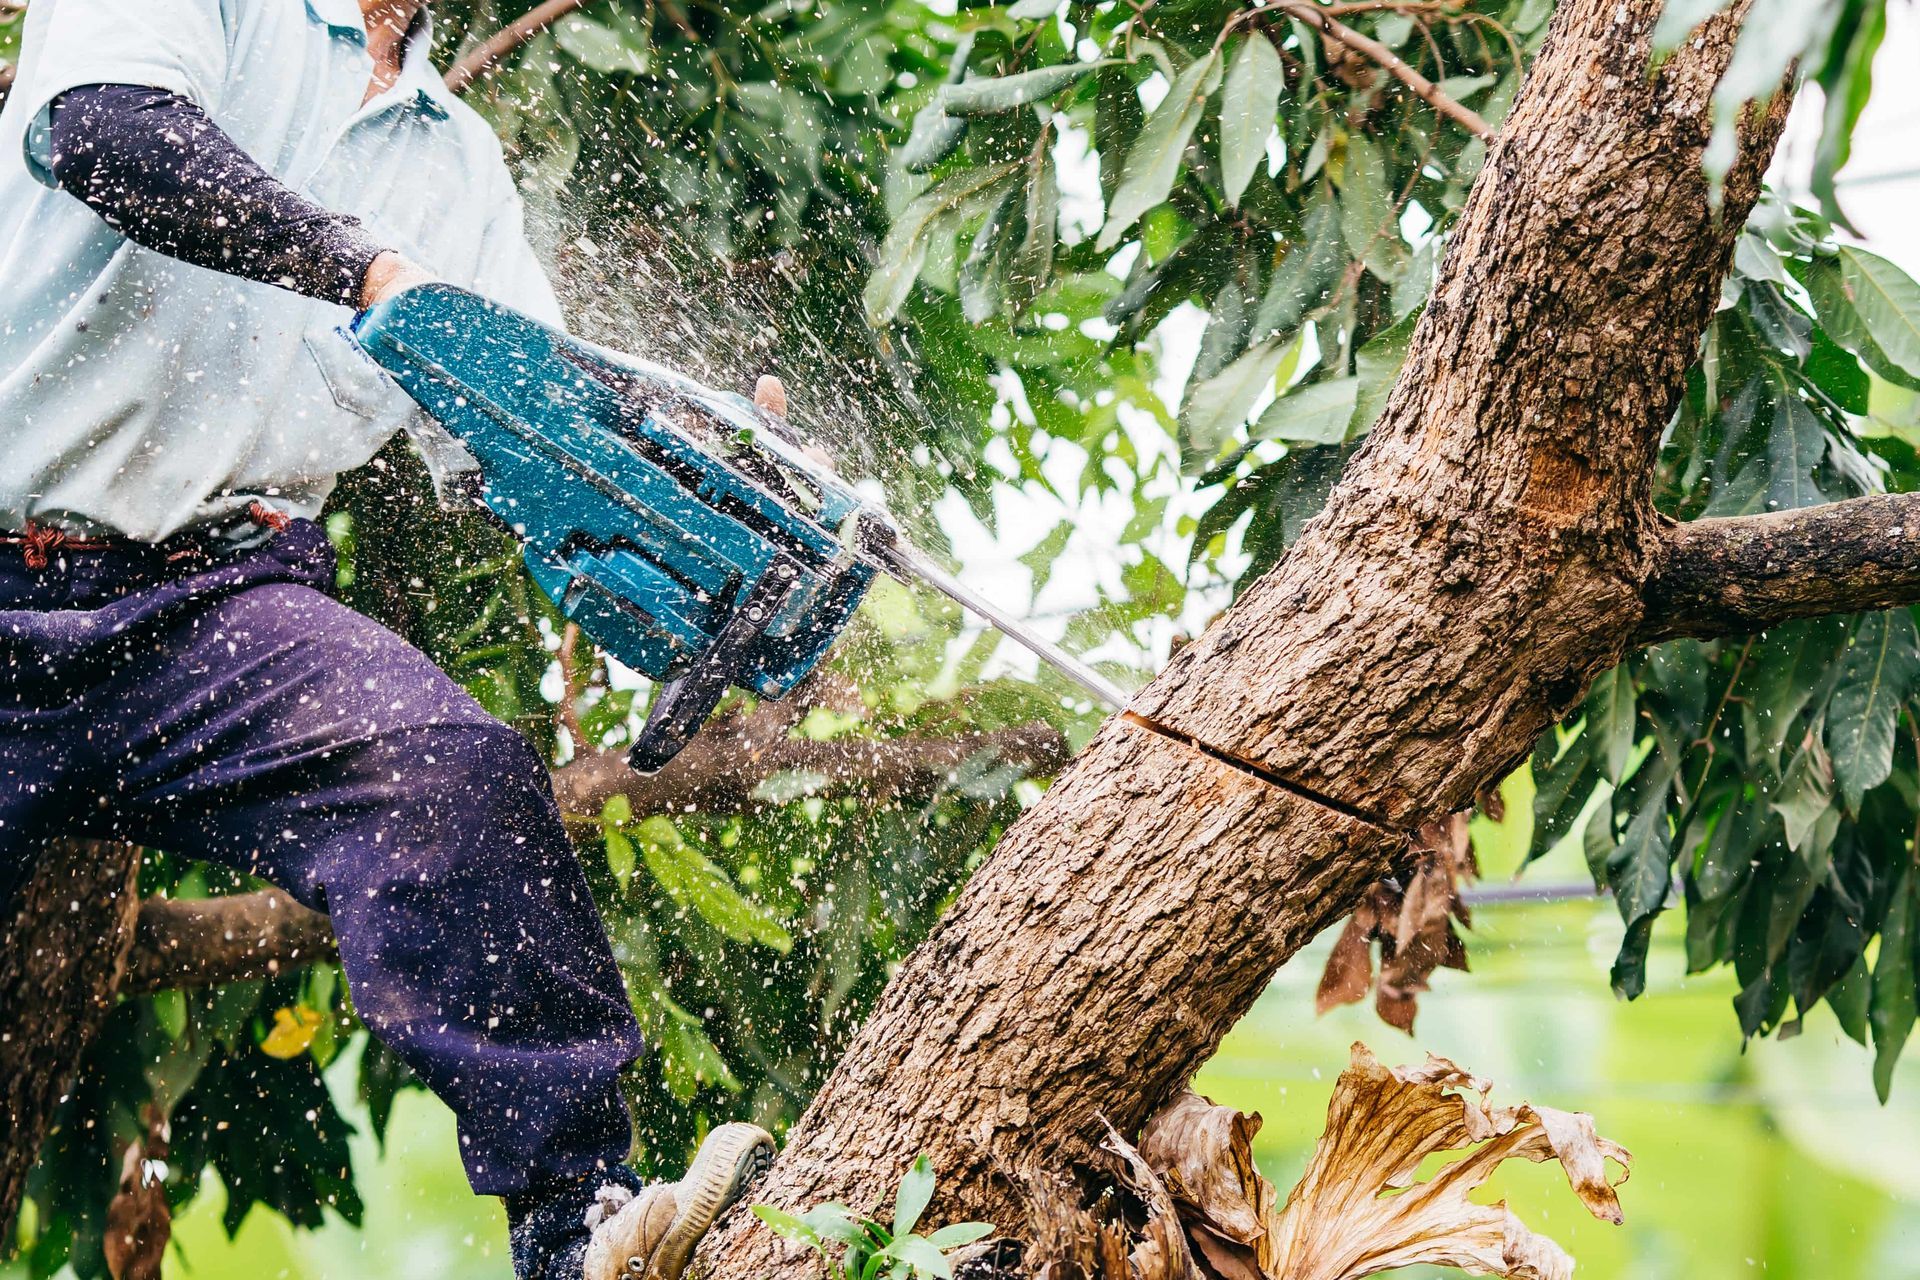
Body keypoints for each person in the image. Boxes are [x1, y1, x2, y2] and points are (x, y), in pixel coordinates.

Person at [0, 2, 779, 1278]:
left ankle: (580, 1223)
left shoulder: (456, 163)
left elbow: (531, 423)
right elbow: (108, 132)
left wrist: (689, 475)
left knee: (450, 777)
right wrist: (366, 268)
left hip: (217, 603)